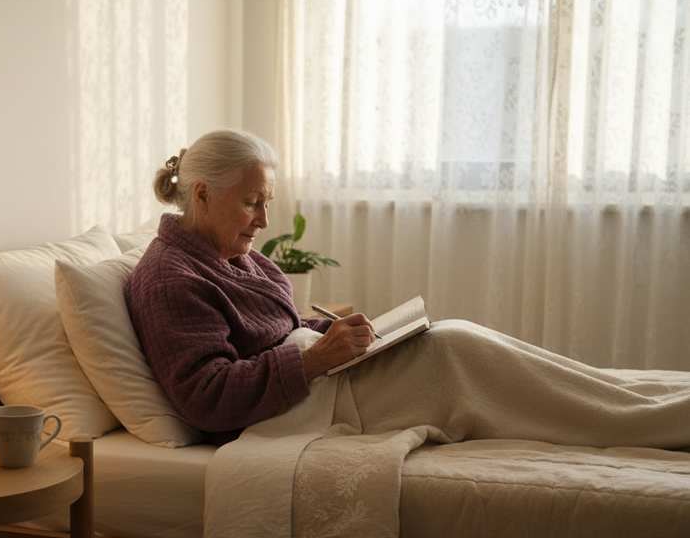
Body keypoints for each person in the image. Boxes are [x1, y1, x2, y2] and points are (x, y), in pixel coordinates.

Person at [125, 129, 690, 449]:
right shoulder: (171, 279)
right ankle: (659, 421)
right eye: (253, 203)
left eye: (266, 202)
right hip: (304, 407)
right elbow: (205, 398)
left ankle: (654, 405)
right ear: (201, 195)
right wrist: (317, 359)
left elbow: (282, 328)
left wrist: (338, 333)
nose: (264, 221)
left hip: (326, 381)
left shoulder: (232, 256)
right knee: (464, 356)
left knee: (458, 344)